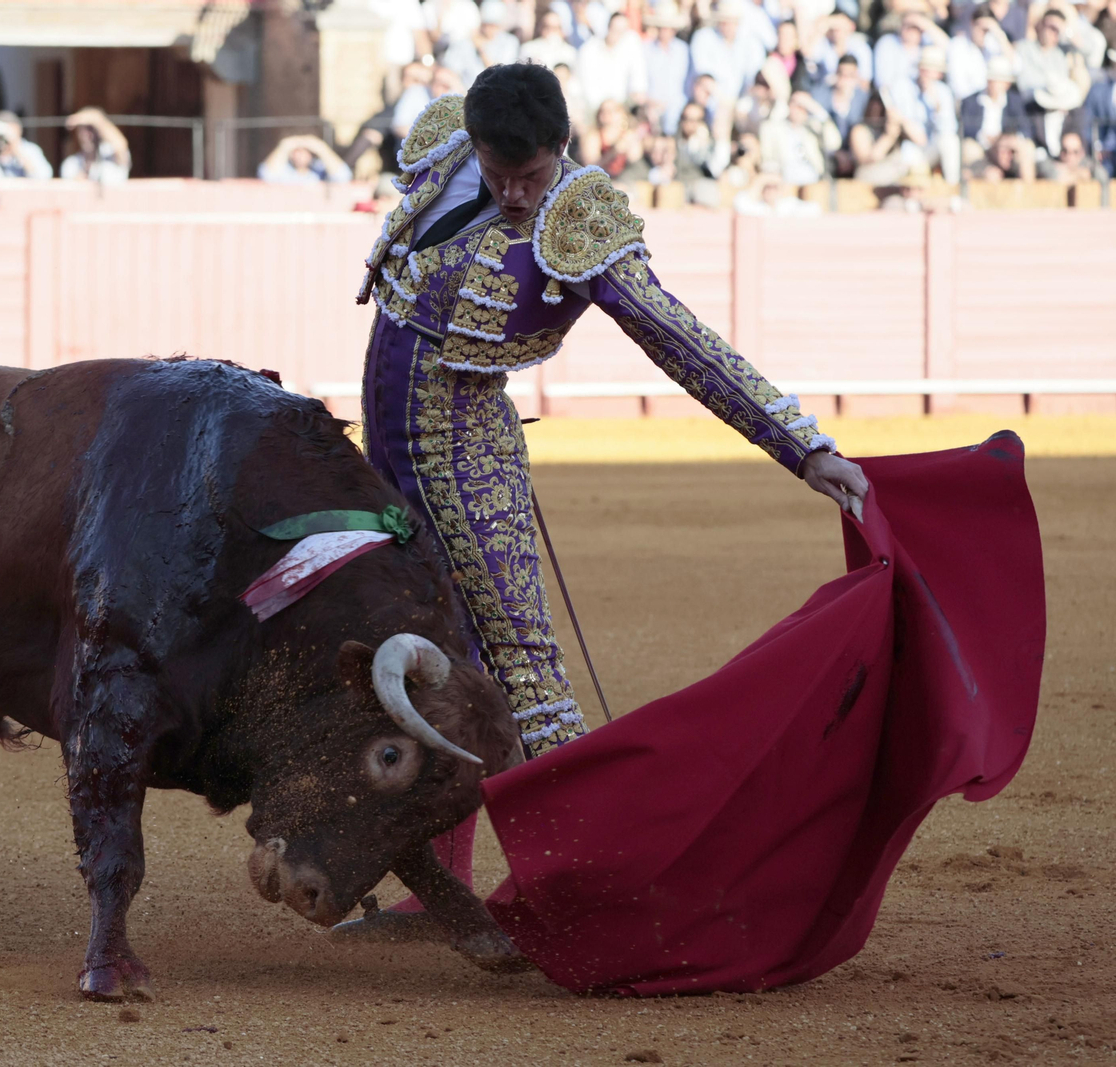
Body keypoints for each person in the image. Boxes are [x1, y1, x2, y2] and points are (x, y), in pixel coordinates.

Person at [334, 64, 867, 941]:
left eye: (530, 177)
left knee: (527, 677)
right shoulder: (442, 150)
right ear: (471, 143)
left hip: (468, 462)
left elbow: (681, 340)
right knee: (427, 658)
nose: (513, 193)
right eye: (499, 173)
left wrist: (802, 445)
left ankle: (596, 893)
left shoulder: (578, 217)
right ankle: (442, 890)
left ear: (562, 149)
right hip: (384, 457)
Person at [1016, 7, 1091, 157]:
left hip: (1055, 107)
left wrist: (1070, 36)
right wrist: (1049, 89)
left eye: (1057, 30)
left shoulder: (1060, 56)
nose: (1053, 33)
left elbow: (1087, 53)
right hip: (1031, 110)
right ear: (1040, 25)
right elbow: (1023, 85)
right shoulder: (1024, 48)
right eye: (1051, 27)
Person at [887, 45, 962, 183]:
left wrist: (937, 106)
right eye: (924, 68)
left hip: (931, 148)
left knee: (950, 142)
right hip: (908, 149)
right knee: (907, 164)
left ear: (939, 74)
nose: (927, 73)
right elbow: (897, 118)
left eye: (932, 70)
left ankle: (953, 188)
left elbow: (949, 129)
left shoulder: (943, 92)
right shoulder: (902, 86)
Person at [761, 89, 843, 183]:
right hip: (784, 181)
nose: (799, 109)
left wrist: (816, 109)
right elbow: (767, 159)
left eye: (803, 106)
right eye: (796, 105)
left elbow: (834, 143)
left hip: (813, 182)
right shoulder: (773, 128)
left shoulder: (814, 127)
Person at [642, 1, 691, 133]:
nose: (665, 31)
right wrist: (649, 103)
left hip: (678, 107)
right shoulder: (645, 49)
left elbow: (686, 83)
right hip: (651, 107)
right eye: (662, 27)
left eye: (668, 27)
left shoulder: (683, 50)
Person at [59, 107, 130, 183]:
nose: (88, 135)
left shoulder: (112, 155)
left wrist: (96, 119)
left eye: (92, 129)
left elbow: (122, 146)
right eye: (83, 129)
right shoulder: (71, 164)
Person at [813, 53, 871, 143]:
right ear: (836, 74)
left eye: (851, 75)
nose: (846, 80)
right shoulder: (822, 94)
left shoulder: (864, 99)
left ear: (857, 77)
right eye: (842, 75)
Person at [257, 133, 354, 183]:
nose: (300, 155)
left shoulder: (319, 169)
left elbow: (343, 176)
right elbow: (266, 174)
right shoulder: (284, 170)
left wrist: (322, 148)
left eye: (304, 151)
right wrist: (284, 146)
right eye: (296, 151)